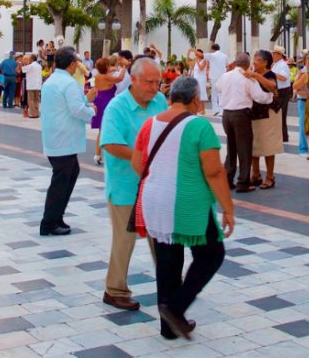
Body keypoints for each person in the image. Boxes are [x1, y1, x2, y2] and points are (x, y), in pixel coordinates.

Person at [133, 76, 234, 340]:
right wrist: (228, 208)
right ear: (194, 100)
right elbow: (214, 172)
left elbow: (137, 164)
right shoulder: (200, 126)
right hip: (188, 203)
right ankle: (176, 308)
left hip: (153, 200)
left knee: (167, 261)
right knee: (211, 254)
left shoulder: (149, 124)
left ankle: (168, 327)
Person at [100, 56, 165, 309]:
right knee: (125, 240)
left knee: (161, 237)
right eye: (149, 82)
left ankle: (170, 282)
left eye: (157, 82)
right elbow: (110, 144)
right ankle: (114, 289)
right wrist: (141, 156)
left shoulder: (159, 101)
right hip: (125, 186)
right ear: (134, 79)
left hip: (155, 184)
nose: (154, 88)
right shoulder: (117, 108)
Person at [39, 47, 96, 237]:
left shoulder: (52, 81)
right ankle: (49, 222)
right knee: (61, 180)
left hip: (56, 136)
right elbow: (77, 109)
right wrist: (93, 114)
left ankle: (56, 217)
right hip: (64, 138)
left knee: (70, 174)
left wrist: (86, 101)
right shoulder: (68, 83)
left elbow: (72, 104)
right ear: (72, 64)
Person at [213, 52, 273, 193]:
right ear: (246, 64)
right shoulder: (247, 77)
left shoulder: (225, 75)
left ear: (235, 63)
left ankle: (228, 179)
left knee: (231, 148)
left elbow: (217, 88)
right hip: (241, 115)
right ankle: (243, 183)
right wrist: (270, 96)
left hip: (226, 114)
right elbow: (259, 97)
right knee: (245, 150)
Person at [248, 50, 281, 190]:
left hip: (269, 114)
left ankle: (270, 176)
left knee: (268, 145)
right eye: (254, 59)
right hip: (255, 113)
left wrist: (256, 76)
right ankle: (255, 174)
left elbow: (272, 86)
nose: (254, 62)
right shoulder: (253, 74)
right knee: (254, 145)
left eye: (258, 59)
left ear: (265, 62)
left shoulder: (269, 75)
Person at [91, 58, 125, 165]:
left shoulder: (98, 76)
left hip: (99, 101)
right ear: (106, 67)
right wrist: (124, 68)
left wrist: (115, 68)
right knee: (108, 128)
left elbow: (109, 72)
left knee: (101, 129)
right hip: (107, 102)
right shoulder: (106, 77)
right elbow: (120, 78)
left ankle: (97, 154)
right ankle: (112, 153)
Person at [271, 46, 292, 143]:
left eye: (275, 53)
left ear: (279, 55)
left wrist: (272, 74)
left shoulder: (283, 65)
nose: (273, 55)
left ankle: (284, 136)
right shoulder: (276, 65)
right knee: (277, 114)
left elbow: (283, 77)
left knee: (281, 114)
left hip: (282, 92)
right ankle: (280, 134)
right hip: (278, 91)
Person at [205, 45, 229, 116]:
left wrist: (193, 50)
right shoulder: (225, 56)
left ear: (213, 49)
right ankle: (222, 110)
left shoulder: (212, 55)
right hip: (222, 76)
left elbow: (202, 55)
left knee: (214, 94)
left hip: (214, 77)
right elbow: (227, 66)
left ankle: (216, 109)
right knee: (221, 93)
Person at [22, 54, 43, 118]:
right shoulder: (39, 66)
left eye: (29, 59)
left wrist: (24, 64)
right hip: (38, 85)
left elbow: (23, 70)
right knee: (37, 99)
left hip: (31, 85)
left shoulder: (31, 66)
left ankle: (32, 114)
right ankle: (36, 113)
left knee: (31, 100)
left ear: (31, 59)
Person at [189, 48, 209, 112]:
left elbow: (201, 69)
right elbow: (192, 68)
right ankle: (199, 108)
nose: (195, 55)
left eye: (196, 54)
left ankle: (203, 109)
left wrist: (197, 61)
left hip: (202, 79)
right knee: (197, 93)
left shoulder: (204, 61)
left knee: (202, 92)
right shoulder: (196, 61)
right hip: (196, 78)